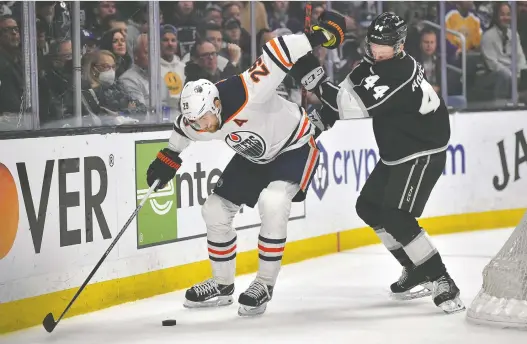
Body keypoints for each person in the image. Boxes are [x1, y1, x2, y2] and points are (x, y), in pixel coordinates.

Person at [145, 11, 346, 317]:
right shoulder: (198, 120)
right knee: (214, 208)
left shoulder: (248, 90)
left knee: (274, 201)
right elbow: (181, 129)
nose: (200, 126)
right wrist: (168, 157)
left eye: (203, 119)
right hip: (253, 156)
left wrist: (317, 36)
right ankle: (222, 284)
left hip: (294, 145)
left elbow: (279, 50)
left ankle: (264, 283)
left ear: (215, 105)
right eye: (194, 121)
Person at [303, 12, 465, 315]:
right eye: (374, 42)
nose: (377, 49)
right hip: (398, 149)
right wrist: (316, 125)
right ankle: (414, 268)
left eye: (384, 45)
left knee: (396, 216)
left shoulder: (400, 72)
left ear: (400, 45)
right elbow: (342, 99)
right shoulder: (371, 65)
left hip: (422, 150)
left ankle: (443, 280)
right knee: (368, 207)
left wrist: (312, 76)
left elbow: (355, 107)